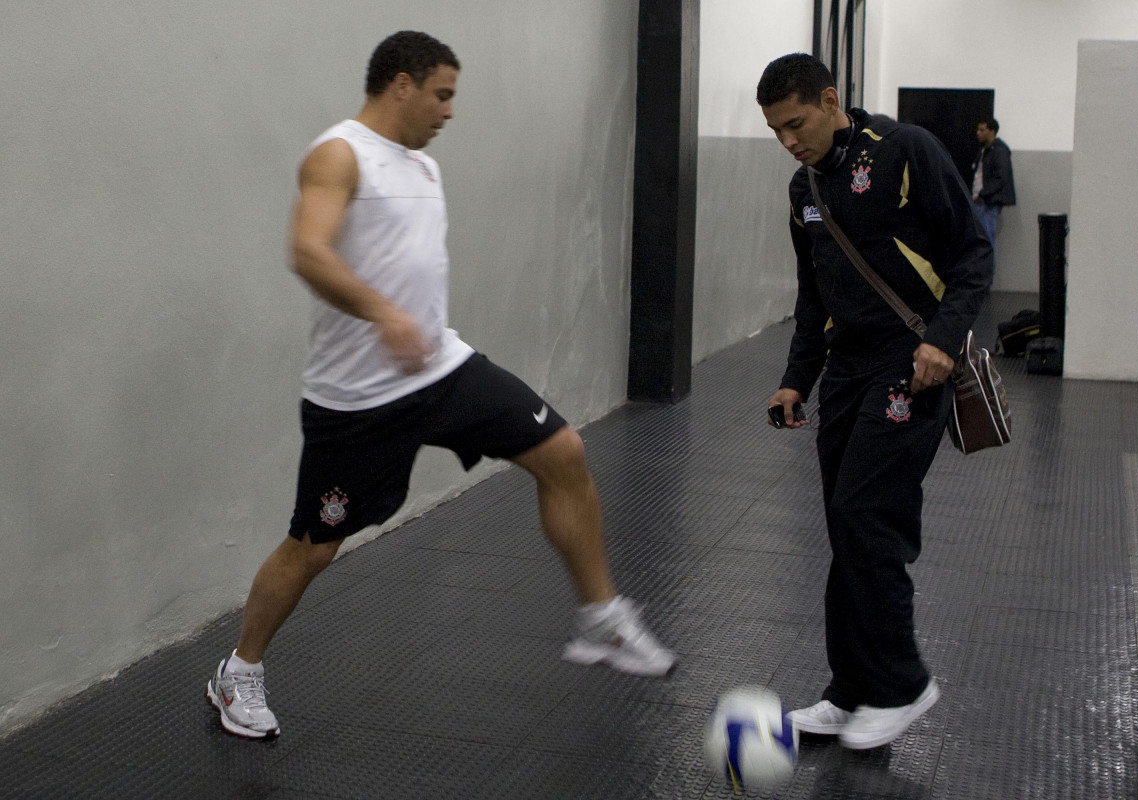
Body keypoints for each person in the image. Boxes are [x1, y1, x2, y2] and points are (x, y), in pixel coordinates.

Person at [205, 30, 676, 740]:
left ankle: (602, 619)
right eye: (443, 94)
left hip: (441, 370)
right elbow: (307, 248)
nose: (450, 111)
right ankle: (238, 671)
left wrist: (409, 324)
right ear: (402, 83)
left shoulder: (422, 167)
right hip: (357, 401)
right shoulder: (338, 153)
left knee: (563, 452)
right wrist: (382, 311)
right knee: (314, 547)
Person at [755, 54, 992, 749]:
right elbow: (814, 296)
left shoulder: (905, 151)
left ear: (831, 100)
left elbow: (973, 255)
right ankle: (850, 690)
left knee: (867, 514)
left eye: (796, 124)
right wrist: (797, 377)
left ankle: (903, 684)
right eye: (775, 131)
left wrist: (944, 342)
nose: (789, 142)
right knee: (845, 524)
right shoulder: (804, 189)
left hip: (912, 363)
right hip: (851, 370)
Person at [969, 118, 1016, 249]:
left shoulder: (999, 151)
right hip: (979, 201)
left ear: (992, 131)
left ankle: (987, 269)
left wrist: (983, 194)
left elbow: (1001, 177)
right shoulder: (984, 151)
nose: (978, 133)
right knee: (981, 241)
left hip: (987, 202)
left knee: (986, 241)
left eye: (982, 130)